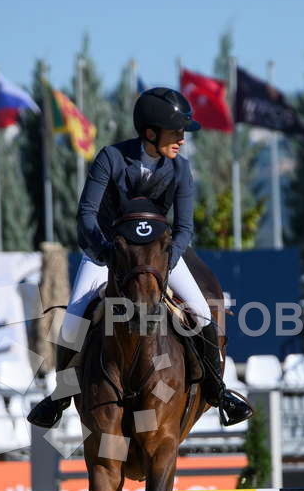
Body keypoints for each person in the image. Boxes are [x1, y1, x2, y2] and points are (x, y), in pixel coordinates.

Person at [28, 87, 253, 429]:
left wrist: (166, 261)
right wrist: (108, 253)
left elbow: (185, 228)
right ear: (150, 133)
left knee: (204, 313)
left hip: (157, 258)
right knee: (74, 319)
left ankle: (217, 391)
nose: (182, 139)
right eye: (175, 132)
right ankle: (60, 396)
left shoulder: (180, 168)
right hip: (107, 253)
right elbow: (87, 215)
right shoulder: (111, 158)